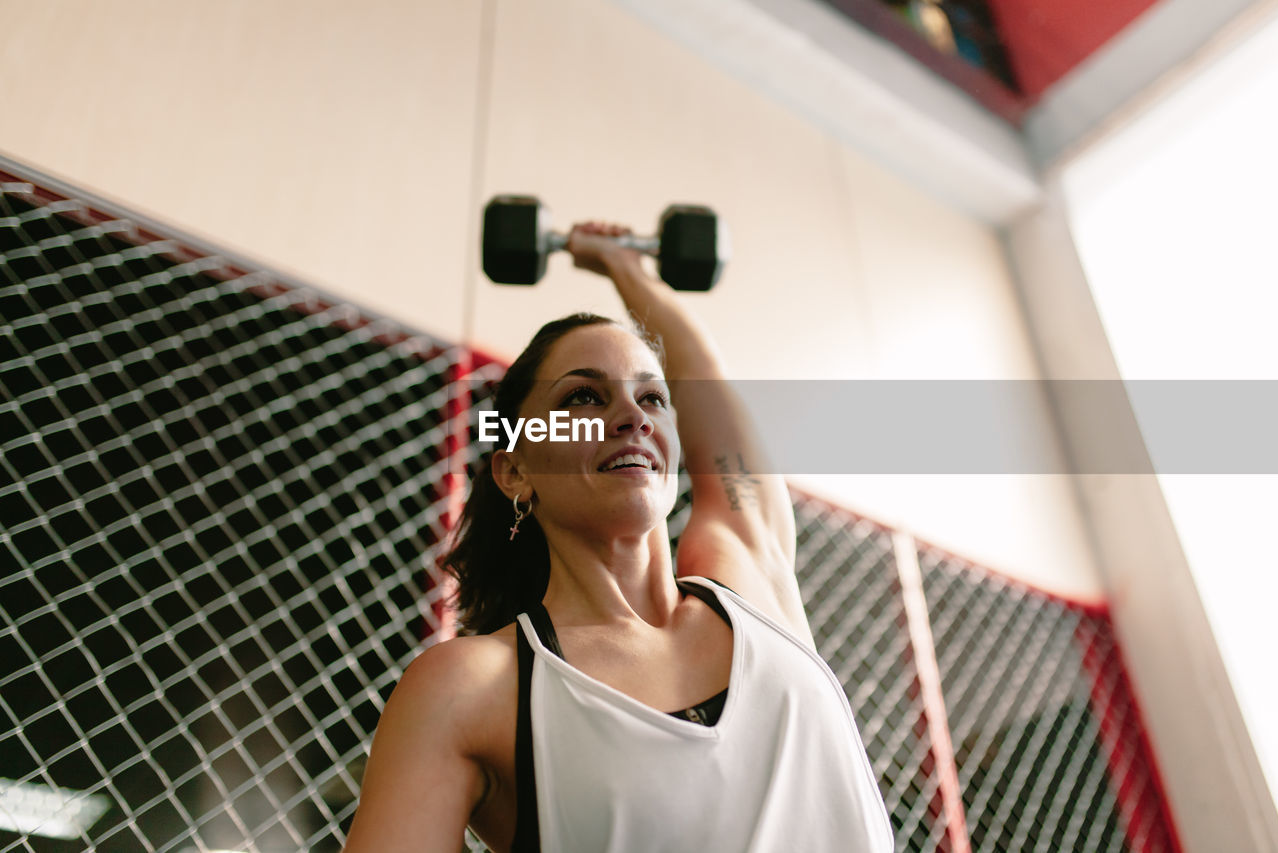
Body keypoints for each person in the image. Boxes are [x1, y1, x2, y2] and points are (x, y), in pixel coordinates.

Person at [343, 222, 894, 852]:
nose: (632, 416)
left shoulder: (752, 585)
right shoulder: (474, 687)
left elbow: (706, 383)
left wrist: (625, 268)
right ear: (517, 468)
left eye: (652, 398)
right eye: (583, 397)